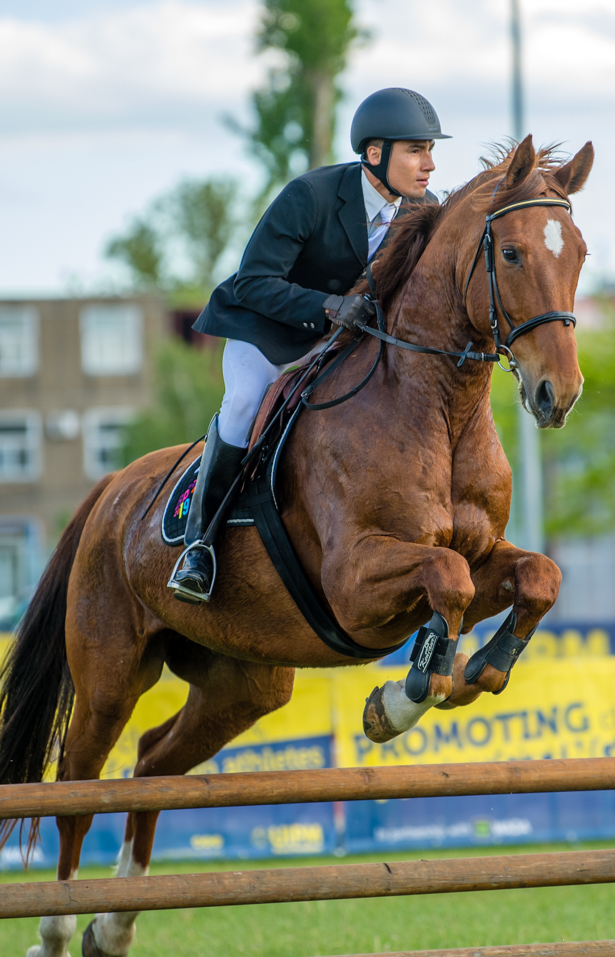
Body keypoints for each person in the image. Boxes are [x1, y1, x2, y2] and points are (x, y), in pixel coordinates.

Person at [168, 87, 450, 604]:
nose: (429, 164)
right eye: (416, 150)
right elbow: (254, 281)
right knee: (243, 404)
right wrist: (329, 305)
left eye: (430, 150)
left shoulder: (424, 209)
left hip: (341, 344)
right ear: (374, 153)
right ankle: (199, 546)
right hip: (269, 334)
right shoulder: (311, 196)